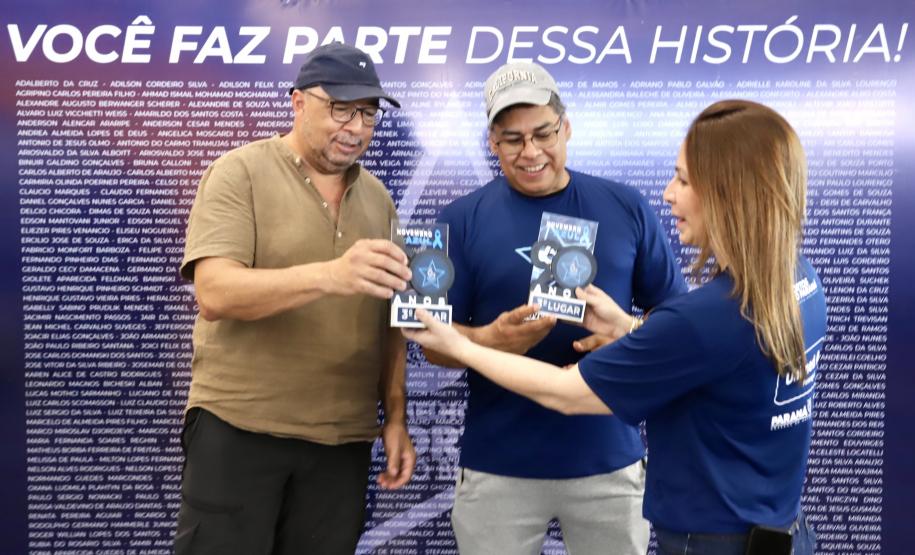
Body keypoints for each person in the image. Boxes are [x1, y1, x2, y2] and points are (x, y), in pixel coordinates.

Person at [408, 99, 823, 555]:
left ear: (728, 192)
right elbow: (706, 357)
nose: (669, 193)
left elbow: (566, 393)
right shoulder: (797, 278)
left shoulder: (708, 314)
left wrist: (467, 346)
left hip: (709, 537)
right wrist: (630, 328)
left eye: (683, 180)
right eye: (512, 138)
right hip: (776, 531)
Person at [425, 62, 687, 554]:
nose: (531, 152)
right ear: (492, 143)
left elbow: (679, 328)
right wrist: (489, 341)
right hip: (497, 466)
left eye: (543, 133)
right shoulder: (459, 220)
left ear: (566, 127)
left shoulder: (626, 206)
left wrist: (627, 333)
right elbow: (431, 345)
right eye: (512, 139)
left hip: (609, 463)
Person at [174, 42, 416, 555]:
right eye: (341, 109)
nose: (356, 128)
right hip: (240, 428)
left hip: (342, 442)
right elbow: (215, 292)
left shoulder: (378, 199)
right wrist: (332, 275)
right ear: (298, 102)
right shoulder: (239, 173)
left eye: (368, 115)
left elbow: (389, 324)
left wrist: (395, 417)